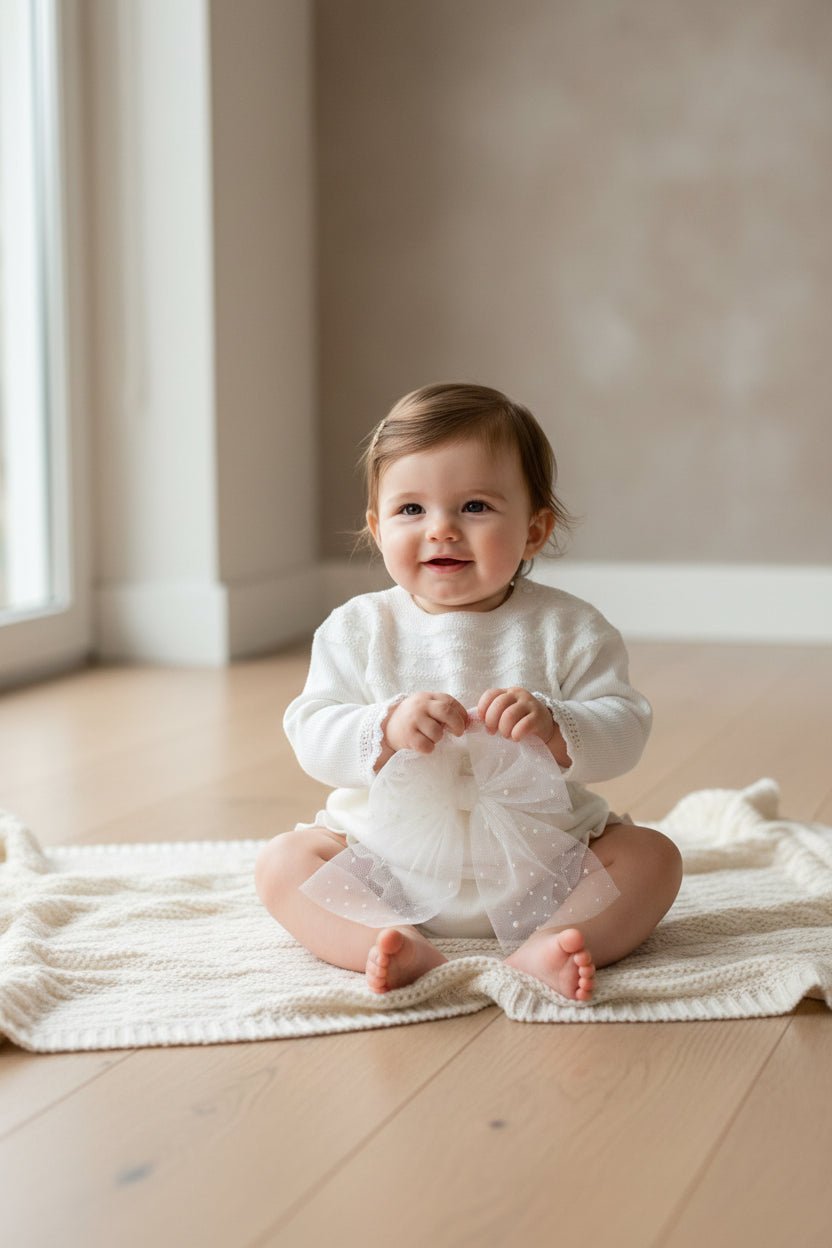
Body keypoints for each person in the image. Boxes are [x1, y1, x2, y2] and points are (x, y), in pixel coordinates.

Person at [255, 383, 683, 1002]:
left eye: (475, 506)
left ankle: (559, 938)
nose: (442, 530)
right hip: (387, 865)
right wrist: (383, 728)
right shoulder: (358, 629)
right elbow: (312, 731)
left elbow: (625, 726)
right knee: (282, 864)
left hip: (547, 863)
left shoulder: (568, 628)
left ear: (535, 530)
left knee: (653, 859)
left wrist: (560, 727)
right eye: (411, 511)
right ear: (377, 528)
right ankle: (386, 941)